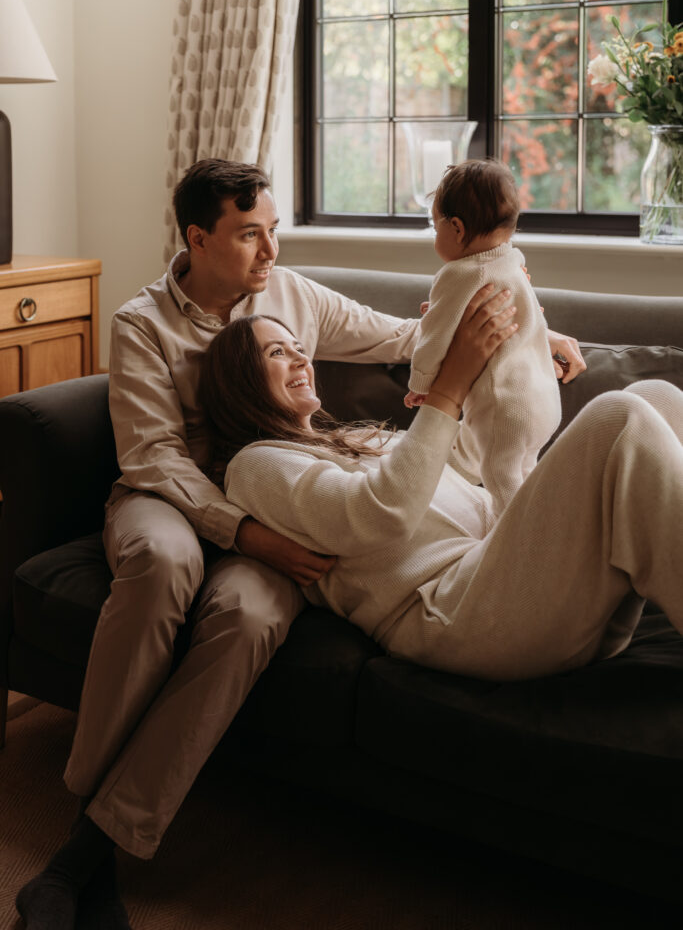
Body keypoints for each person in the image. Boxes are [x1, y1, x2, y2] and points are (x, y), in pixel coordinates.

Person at [18, 158, 584, 930]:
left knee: (251, 618)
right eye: (249, 235)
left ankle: (94, 844)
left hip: (277, 499)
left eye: (274, 230)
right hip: (171, 496)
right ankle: (92, 814)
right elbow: (151, 457)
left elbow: (407, 333)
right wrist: (246, 531)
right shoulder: (141, 323)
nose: (270, 251)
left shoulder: (290, 294)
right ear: (198, 238)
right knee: (165, 564)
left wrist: (534, 334)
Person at [200, 314, 683, 683]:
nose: (302, 359)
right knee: (617, 414)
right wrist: (445, 393)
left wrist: (503, 363)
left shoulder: (355, 435)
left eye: (300, 348)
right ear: (241, 380)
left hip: (510, 570)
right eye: (277, 353)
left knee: (656, 397)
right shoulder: (257, 464)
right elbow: (376, 515)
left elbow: (471, 462)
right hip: (457, 612)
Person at [405, 159, 561, 516]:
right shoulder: (513, 263)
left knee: (499, 479)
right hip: (543, 401)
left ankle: (506, 546)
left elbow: (434, 333)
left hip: (503, 407)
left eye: (435, 226)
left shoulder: (458, 274)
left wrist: (421, 383)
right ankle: (540, 521)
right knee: (525, 472)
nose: (435, 236)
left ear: (456, 228)